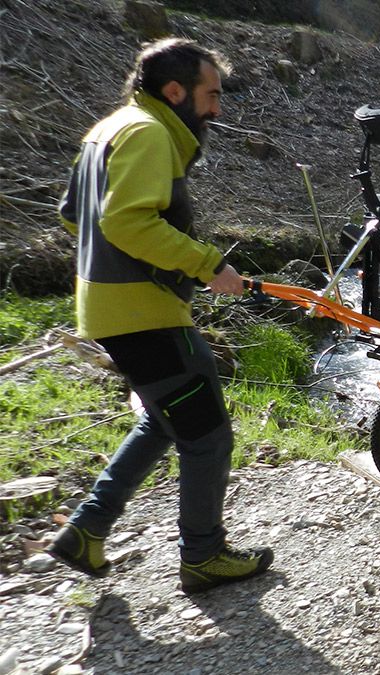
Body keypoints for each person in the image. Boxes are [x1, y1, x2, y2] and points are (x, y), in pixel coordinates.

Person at [50, 38, 272, 594]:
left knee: (164, 419)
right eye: (211, 95)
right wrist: (205, 266)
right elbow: (126, 222)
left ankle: (86, 531)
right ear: (175, 91)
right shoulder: (149, 134)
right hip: (145, 315)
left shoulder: (107, 129)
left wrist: (106, 277)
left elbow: (73, 217)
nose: (217, 109)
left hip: (110, 309)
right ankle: (203, 555)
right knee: (209, 434)